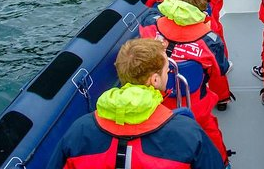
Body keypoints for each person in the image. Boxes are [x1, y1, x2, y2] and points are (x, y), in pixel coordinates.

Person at [47, 38, 224, 169]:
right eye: (166, 69)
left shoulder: (79, 130)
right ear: (155, 80)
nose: (169, 71)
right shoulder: (187, 132)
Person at [139, 0, 232, 165]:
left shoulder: (149, 25)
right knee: (209, 132)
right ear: (201, 5)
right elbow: (219, 71)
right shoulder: (210, 40)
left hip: (155, 103)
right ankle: (222, 162)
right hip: (195, 105)